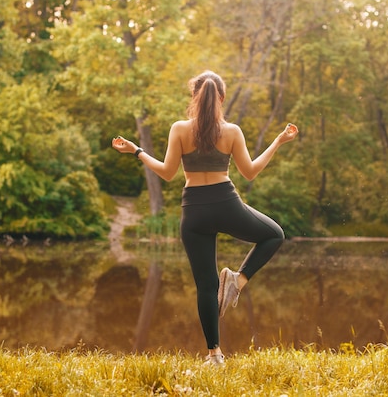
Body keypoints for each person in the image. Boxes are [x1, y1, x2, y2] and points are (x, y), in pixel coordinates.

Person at [112, 70, 298, 365]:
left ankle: (214, 354)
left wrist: (137, 151)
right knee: (274, 234)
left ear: (194, 96)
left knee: (207, 286)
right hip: (226, 203)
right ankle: (238, 281)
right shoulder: (232, 131)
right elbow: (250, 172)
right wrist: (277, 141)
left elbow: (168, 173)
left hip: (194, 211)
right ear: (221, 98)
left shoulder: (179, 129)